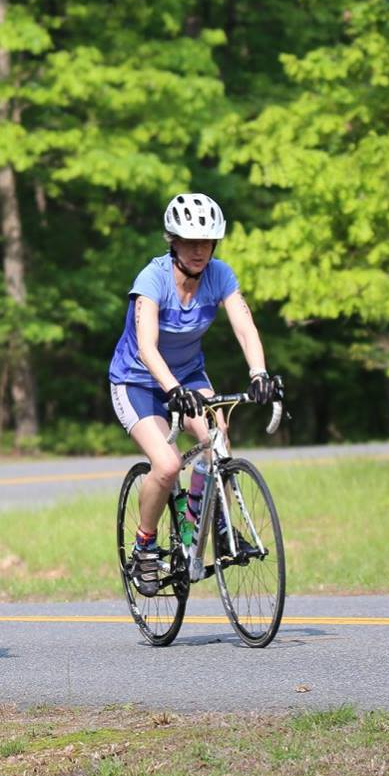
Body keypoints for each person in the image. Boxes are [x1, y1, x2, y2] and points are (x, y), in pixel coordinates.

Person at [108, 193, 275, 597]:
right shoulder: (153, 280)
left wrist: (259, 373)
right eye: (190, 240)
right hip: (137, 381)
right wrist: (173, 390)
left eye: (208, 241)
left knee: (216, 444)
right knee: (166, 466)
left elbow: (244, 325)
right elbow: (147, 349)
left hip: (189, 376)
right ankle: (144, 547)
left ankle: (205, 522)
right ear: (173, 241)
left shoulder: (220, 275)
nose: (200, 250)